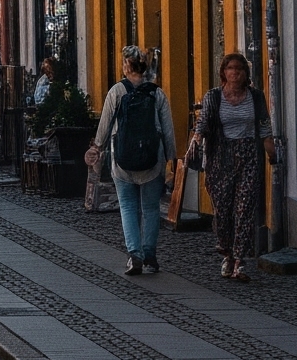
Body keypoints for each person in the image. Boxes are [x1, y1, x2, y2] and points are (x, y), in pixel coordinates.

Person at [192, 52, 276, 281]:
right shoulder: (214, 97)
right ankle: (227, 252)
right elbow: (204, 121)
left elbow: (264, 126)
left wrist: (271, 153)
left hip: (248, 156)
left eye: (240, 68)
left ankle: (240, 261)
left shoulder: (256, 97)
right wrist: (197, 139)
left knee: (244, 208)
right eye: (231, 68)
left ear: (245, 73)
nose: (235, 72)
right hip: (221, 156)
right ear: (224, 72)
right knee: (223, 209)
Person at [93, 48, 177, 277]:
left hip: (122, 160)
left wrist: (96, 147)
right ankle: (150, 253)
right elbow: (168, 130)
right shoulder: (157, 93)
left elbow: (104, 125)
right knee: (150, 208)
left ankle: (134, 254)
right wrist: (172, 159)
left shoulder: (117, 91)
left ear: (125, 66)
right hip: (153, 159)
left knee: (128, 207)